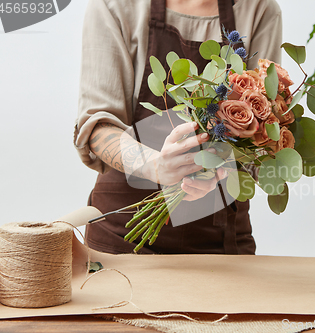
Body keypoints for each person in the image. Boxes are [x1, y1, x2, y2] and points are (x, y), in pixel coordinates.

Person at [74, 0, 283, 254]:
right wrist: (155, 166)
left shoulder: (259, 9)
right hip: (123, 234)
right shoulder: (114, 6)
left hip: (220, 240)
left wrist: (220, 170)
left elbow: (263, 133)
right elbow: (98, 130)